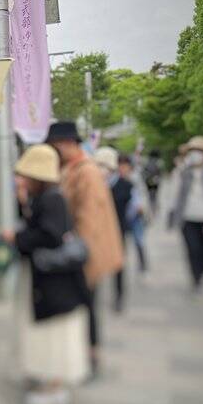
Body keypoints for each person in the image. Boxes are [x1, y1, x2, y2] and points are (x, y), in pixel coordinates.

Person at [2, 145, 89, 404]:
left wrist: (17, 238)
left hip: (52, 283)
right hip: (49, 281)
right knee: (46, 331)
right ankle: (45, 377)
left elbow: (49, 236)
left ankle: (53, 384)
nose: (22, 180)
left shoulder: (51, 199)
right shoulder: (48, 197)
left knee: (52, 334)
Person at [45, 122, 123, 377]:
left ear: (68, 143)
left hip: (86, 251)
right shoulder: (73, 167)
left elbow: (89, 217)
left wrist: (78, 253)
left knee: (86, 305)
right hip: (81, 248)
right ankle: (84, 354)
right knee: (83, 305)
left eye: (55, 145)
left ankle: (91, 356)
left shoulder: (86, 171)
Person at [94, 148, 138, 312]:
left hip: (118, 230)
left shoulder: (126, 185)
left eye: (104, 166)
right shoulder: (93, 184)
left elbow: (133, 208)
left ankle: (119, 297)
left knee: (118, 265)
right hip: (97, 231)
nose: (102, 170)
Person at [170, 136, 203, 292]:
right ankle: (195, 276)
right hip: (188, 218)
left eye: (199, 151)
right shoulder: (182, 172)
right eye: (193, 151)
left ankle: (201, 270)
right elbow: (175, 194)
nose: (196, 154)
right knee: (192, 249)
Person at [143, 150, 163, 214]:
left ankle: (152, 208)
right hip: (155, 180)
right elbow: (160, 173)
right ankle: (154, 208)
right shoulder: (158, 162)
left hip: (149, 180)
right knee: (154, 194)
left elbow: (145, 172)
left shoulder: (147, 162)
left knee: (150, 194)